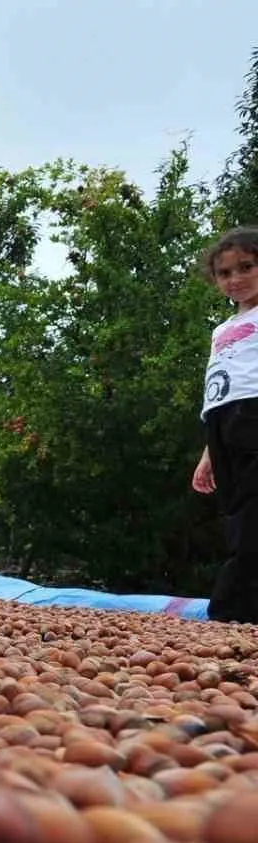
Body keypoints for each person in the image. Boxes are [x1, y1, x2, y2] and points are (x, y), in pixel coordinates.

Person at [191, 225, 258, 622]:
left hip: (254, 414)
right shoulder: (222, 329)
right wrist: (208, 454)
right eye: (225, 272)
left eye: (246, 267)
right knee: (236, 513)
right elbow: (219, 389)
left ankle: (233, 612)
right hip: (222, 422)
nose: (235, 279)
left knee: (253, 511)